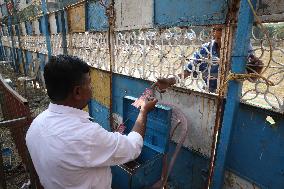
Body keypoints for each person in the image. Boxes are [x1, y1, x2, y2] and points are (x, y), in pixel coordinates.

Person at [25, 55, 158, 189]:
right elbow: (132, 147)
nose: (92, 87)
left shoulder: (35, 126)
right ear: (77, 92)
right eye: (89, 83)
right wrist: (143, 112)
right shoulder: (85, 135)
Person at [155, 26, 263, 92]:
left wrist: (256, 69)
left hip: (231, 96)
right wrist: (169, 81)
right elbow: (188, 70)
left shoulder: (242, 47)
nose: (216, 33)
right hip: (209, 92)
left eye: (220, 29)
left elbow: (252, 77)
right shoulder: (207, 49)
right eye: (214, 29)